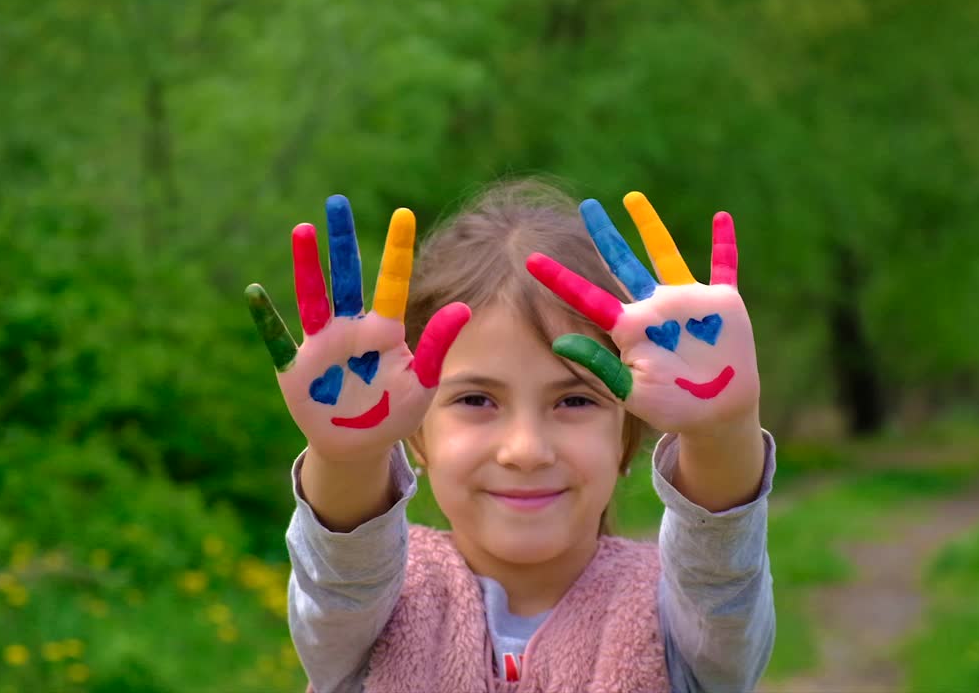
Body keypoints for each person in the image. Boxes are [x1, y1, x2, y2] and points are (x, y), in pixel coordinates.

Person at [245, 180, 776, 693]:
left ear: (626, 434)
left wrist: (721, 427)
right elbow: (343, 570)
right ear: (416, 433)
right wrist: (348, 454)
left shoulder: (684, 625)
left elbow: (722, 572)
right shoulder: (362, 618)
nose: (525, 450)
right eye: (476, 400)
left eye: (574, 401)